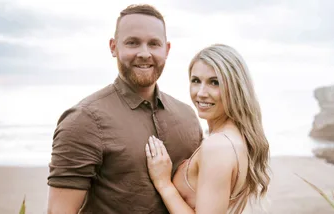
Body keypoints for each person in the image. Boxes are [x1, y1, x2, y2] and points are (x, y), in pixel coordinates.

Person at [46, 4, 203, 214]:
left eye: (154, 44)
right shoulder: (83, 120)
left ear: (167, 50)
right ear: (113, 47)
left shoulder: (188, 117)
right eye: (132, 43)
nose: (144, 53)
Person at [144, 44, 271, 214]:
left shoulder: (218, 146)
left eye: (214, 82)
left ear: (235, 87)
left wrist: (164, 184)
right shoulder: (237, 137)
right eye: (196, 81)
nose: (201, 93)